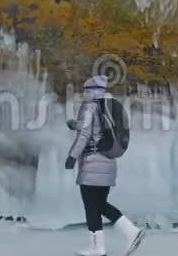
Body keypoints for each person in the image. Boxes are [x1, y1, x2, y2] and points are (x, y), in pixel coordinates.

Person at [65, 75, 144, 256]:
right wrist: (75, 125)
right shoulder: (106, 106)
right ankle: (102, 245)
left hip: (92, 164)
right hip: (108, 162)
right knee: (99, 204)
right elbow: (93, 128)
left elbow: (85, 135)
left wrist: (72, 156)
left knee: (92, 205)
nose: (84, 93)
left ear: (91, 90)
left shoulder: (89, 106)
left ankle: (125, 234)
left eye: (86, 90)